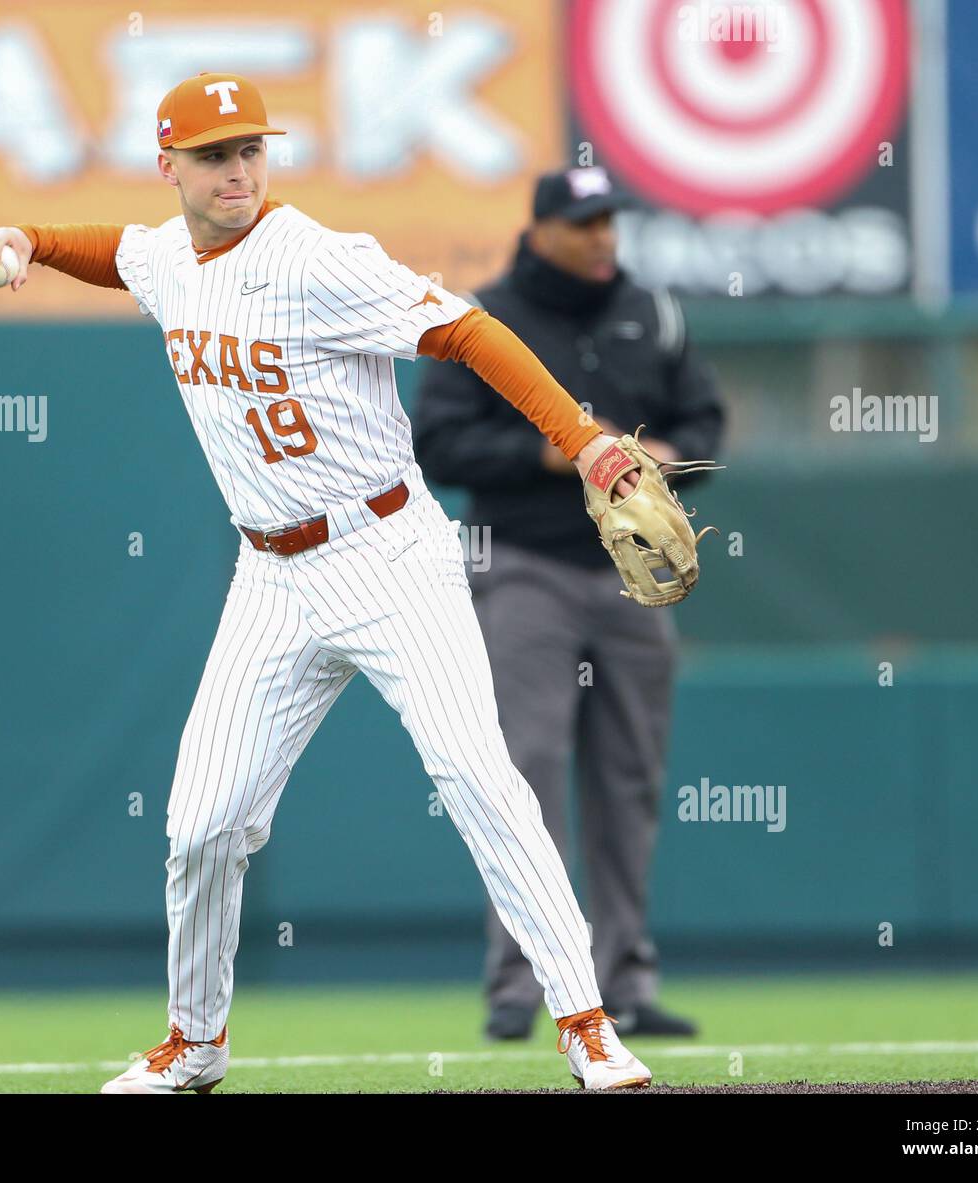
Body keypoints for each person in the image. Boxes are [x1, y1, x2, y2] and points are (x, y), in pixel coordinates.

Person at [0, 74, 656, 1092]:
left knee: (477, 778)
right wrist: (23, 236)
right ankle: (194, 1044)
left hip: (386, 553)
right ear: (171, 168)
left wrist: (583, 438)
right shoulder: (167, 256)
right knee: (200, 824)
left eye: (249, 148)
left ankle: (588, 1026)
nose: (237, 169)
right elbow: (111, 252)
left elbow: (466, 331)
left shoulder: (318, 260)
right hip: (271, 575)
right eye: (212, 155)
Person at [413, 166, 725, 1042]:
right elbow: (438, 443)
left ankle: (625, 977)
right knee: (524, 774)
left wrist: (673, 457)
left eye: (610, 221)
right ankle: (524, 985)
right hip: (523, 570)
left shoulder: (650, 313)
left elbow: (706, 425)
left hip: (633, 579)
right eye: (585, 223)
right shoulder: (486, 314)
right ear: (542, 227)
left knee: (629, 780)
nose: (602, 238)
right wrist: (545, 455)